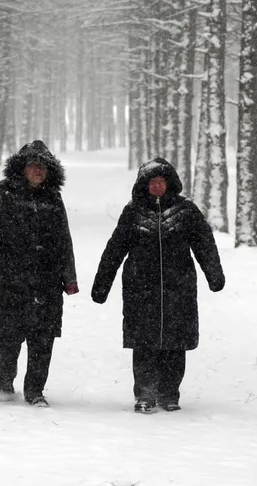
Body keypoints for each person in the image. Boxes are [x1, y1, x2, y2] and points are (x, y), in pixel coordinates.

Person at [92, 158, 225, 414]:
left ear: (169, 183)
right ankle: (145, 394)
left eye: (161, 181)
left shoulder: (186, 211)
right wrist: (102, 284)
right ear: (144, 185)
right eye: (152, 182)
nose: (157, 186)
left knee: (175, 345)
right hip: (141, 290)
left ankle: (169, 394)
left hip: (179, 289)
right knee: (144, 344)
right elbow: (115, 249)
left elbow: (205, 244)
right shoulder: (133, 211)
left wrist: (214, 275)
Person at [0, 140, 78, 407]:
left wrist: (69, 277)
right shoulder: (3, 192)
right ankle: (5, 382)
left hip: (47, 281)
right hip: (9, 279)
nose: (37, 170)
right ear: (22, 168)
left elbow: (64, 239)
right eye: (32, 165)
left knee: (43, 339)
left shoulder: (53, 198)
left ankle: (35, 390)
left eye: (42, 167)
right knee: (8, 335)